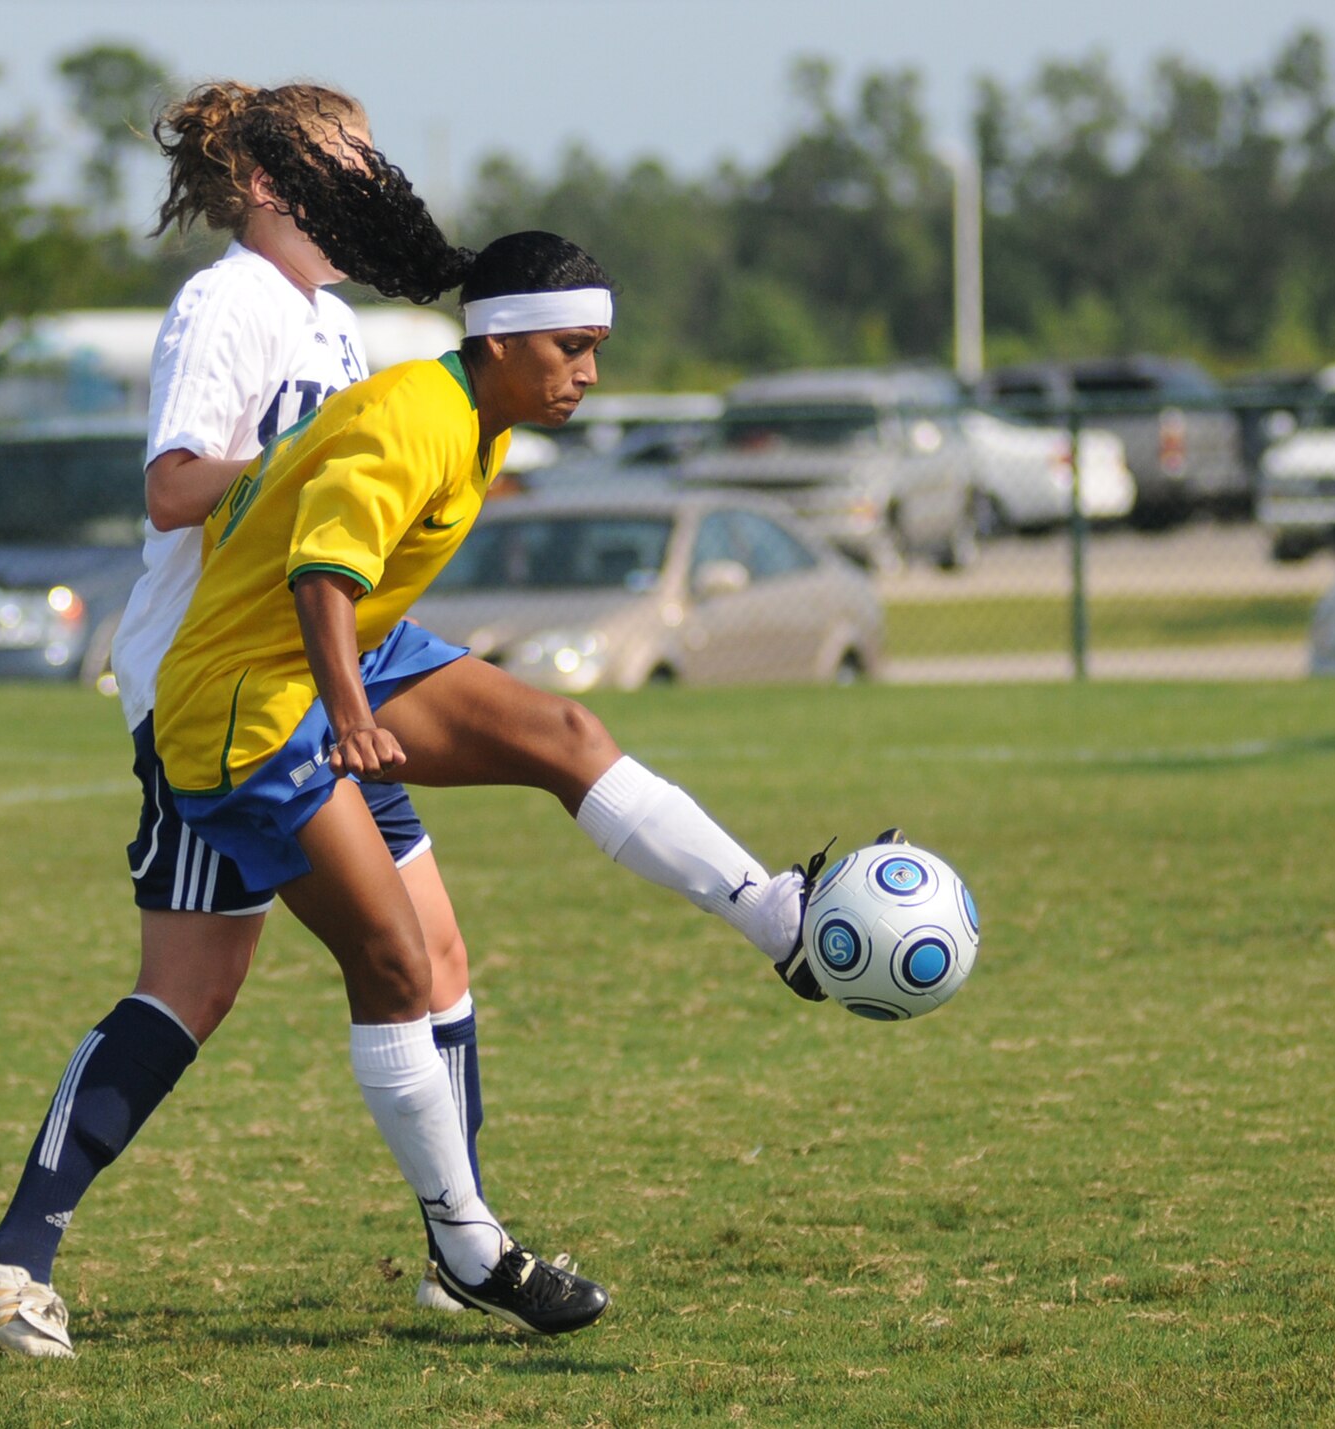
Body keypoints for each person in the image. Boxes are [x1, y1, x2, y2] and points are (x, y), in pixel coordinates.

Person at [152, 229, 848, 1334]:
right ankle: (467, 1244)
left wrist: (352, 687)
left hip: (342, 661)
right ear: (503, 340)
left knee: (563, 731)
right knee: (391, 959)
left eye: (594, 349)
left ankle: (776, 918)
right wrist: (346, 713)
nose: (588, 373)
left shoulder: (473, 418)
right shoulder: (416, 419)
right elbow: (319, 578)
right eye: (572, 347)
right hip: (248, 702)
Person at [0, 81, 512, 1358]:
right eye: (343, 159)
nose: (370, 177)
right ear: (265, 182)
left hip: (325, 683)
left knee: (436, 954)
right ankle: (7, 1254)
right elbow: (172, 485)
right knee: (193, 984)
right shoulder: (228, 303)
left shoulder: (333, 321)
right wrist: (308, 463)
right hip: (217, 693)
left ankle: (459, 1248)